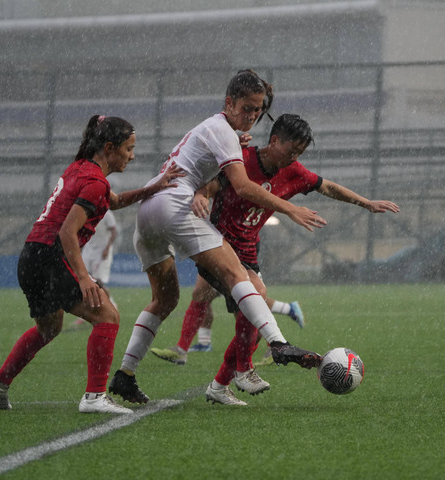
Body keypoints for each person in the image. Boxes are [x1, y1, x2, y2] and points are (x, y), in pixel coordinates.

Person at [108, 70, 327, 407]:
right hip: (173, 204)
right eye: (246, 108)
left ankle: (125, 375)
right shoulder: (223, 129)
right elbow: (242, 186)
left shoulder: (219, 130)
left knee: (164, 300)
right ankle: (278, 343)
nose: (252, 116)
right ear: (229, 103)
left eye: (257, 110)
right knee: (238, 274)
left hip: (149, 209)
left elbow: (209, 165)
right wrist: (289, 209)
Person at [162, 113, 399, 405]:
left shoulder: (295, 172)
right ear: (274, 141)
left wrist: (366, 203)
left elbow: (327, 187)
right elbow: (212, 183)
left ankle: (219, 386)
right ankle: (241, 369)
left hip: (248, 252)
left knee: (255, 322)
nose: (294, 157)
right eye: (291, 150)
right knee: (256, 301)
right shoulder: (243, 159)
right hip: (218, 247)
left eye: (300, 153)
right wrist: (201, 194)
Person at [0, 115, 184, 414]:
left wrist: (152, 189)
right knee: (108, 316)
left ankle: (0, 382)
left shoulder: (81, 169)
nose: (132, 154)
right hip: (50, 257)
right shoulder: (94, 181)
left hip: (31, 255)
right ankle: (94, 397)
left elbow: (113, 202)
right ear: (110, 147)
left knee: (49, 327)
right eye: (128, 148)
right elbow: (66, 232)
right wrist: (84, 277)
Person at [150, 255, 304, 364]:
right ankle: (192, 347)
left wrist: (291, 210)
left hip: (237, 245)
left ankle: (272, 344)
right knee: (203, 294)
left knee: (248, 300)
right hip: (220, 241)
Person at [72, 209, 119, 327]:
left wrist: (107, 248)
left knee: (98, 282)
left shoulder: (107, 213)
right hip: (89, 250)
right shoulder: (86, 211)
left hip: (101, 251)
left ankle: (111, 305)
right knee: (83, 280)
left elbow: (114, 231)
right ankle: (87, 312)